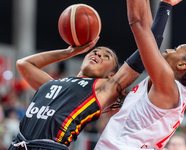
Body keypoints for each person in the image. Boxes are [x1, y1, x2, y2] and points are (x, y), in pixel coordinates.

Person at [9, 0, 171, 149]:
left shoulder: (103, 88)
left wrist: (165, 6)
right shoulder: (53, 84)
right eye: (96, 51)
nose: (99, 54)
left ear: (110, 75)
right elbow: (24, 64)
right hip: (17, 144)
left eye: (106, 56)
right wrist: (69, 52)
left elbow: (149, 46)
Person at [94, 0, 186, 150]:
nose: (169, 50)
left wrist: (166, 4)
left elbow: (138, 22)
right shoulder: (176, 92)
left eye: (176, 49)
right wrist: (165, 5)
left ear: (182, 65)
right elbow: (151, 39)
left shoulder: (168, 83)